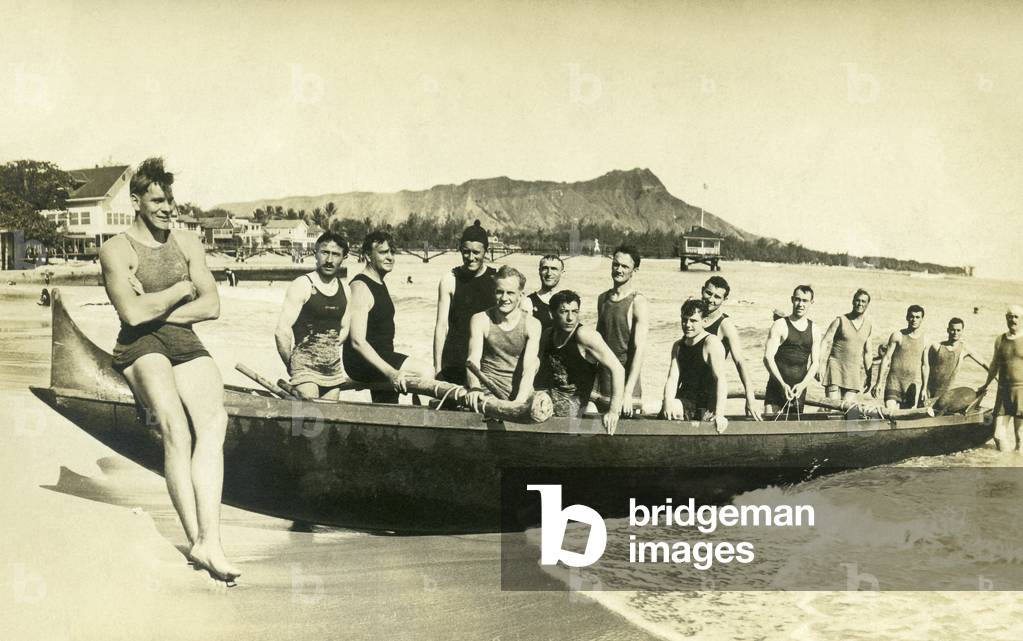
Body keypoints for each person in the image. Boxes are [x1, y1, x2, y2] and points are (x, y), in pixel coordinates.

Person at [97, 158, 239, 582]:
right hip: (139, 348)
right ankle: (197, 537)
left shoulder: (188, 243)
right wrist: (180, 290)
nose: (167, 207)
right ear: (136, 201)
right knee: (176, 427)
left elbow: (212, 305)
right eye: (158, 200)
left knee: (215, 422)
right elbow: (132, 317)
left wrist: (155, 308)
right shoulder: (115, 250)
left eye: (170, 199)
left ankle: (209, 541)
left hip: (184, 342)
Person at [344, 231, 432, 403]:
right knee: (425, 371)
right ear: (368, 256)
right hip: (360, 362)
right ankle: (425, 422)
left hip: (381, 355)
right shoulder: (360, 286)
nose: (390, 257)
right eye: (383, 252)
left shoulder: (379, 282)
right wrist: (391, 372)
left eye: (392, 252)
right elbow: (357, 341)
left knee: (387, 405)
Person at [274, 232, 351, 400]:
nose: (329, 260)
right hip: (305, 369)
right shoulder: (302, 284)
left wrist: (325, 349)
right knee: (310, 419)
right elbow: (282, 331)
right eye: (325, 252)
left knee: (329, 421)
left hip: (333, 370)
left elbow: (345, 328)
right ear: (315, 253)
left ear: (344, 257)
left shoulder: (345, 289)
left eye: (336, 254)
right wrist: (292, 365)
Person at [538, 290, 624, 434]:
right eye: (564, 311)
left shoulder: (584, 335)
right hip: (552, 399)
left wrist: (613, 411)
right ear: (552, 313)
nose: (570, 318)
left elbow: (618, 369)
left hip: (575, 406)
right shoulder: (548, 335)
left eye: (575, 311)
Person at [465, 266, 542, 407]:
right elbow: (473, 359)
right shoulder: (480, 319)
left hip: (520, 392)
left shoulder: (532, 324)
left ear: (521, 295)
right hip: (487, 392)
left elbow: (529, 368)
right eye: (499, 292)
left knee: (536, 362)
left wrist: (519, 402)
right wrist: (474, 387)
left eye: (510, 293)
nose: (504, 298)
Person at [433, 220, 497, 386]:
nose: (471, 257)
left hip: (486, 360)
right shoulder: (450, 279)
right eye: (466, 252)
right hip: (454, 358)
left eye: (476, 252)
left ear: (486, 251)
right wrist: (437, 367)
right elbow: (441, 327)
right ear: (460, 250)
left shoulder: (496, 280)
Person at [661, 299, 729, 433]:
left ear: (704, 321)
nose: (687, 325)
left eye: (693, 321)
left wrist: (720, 415)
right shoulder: (678, 346)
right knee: (648, 406)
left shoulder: (711, 343)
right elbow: (672, 379)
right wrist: (667, 402)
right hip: (683, 401)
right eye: (684, 320)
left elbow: (721, 380)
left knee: (671, 406)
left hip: (703, 407)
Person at [595, 244, 649, 415]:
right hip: (602, 382)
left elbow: (639, 351)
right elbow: (597, 343)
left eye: (625, 266)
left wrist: (627, 393)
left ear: (635, 270)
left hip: (627, 384)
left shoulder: (638, 302)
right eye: (616, 265)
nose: (619, 270)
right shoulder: (602, 298)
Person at [700, 276, 762, 420]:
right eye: (708, 293)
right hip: (688, 388)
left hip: (709, 393)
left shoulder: (725, 325)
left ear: (724, 300)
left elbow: (740, 362)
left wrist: (750, 398)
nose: (711, 299)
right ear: (702, 291)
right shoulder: (694, 318)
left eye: (717, 297)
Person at [763, 285, 821, 414]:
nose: (800, 304)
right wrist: (782, 384)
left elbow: (815, 363)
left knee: (793, 431)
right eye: (797, 299)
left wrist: (802, 385)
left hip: (798, 390)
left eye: (805, 301)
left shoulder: (815, 329)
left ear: (812, 302)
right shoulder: (780, 325)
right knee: (771, 428)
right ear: (792, 299)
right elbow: (768, 357)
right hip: (776, 388)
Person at [978, 305, 1023, 451]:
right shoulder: (1000, 339)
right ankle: (1005, 462)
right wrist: (985, 385)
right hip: (1003, 392)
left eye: (1016, 316)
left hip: (1021, 392)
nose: (1013, 319)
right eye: (1010, 316)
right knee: (998, 435)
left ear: (1021, 319)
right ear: (1006, 318)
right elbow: (994, 366)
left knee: (1020, 436)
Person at [819, 289, 873, 402]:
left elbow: (867, 353)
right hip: (835, 369)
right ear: (853, 302)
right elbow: (825, 342)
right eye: (857, 300)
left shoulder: (868, 326)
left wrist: (869, 376)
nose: (860, 304)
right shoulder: (840, 321)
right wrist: (819, 366)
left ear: (868, 304)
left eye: (863, 301)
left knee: (848, 412)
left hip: (853, 373)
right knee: (832, 409)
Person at [920, 317, 989, 405]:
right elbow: (925, 365)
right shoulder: (937, 346)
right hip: (929, 390)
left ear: (962, 331)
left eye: (958, 330)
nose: (955, 333)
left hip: (947, 394)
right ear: (948, 330)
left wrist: (992, 383)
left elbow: (986, 365)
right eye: (952, 330)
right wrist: (923, 388)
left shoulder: (965, 349)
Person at [873, 305, 927, 410]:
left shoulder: (925, 340)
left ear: (922, 319)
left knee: (904, 418)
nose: (914, 320)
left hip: (911, 385)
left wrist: (924, 388)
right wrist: (878, 383)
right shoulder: (897, 335)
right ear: (907, 317)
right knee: (890, 413)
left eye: (917, 317)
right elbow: (886, 358)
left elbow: (925, 366)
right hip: (893, 382)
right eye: (911, 316)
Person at [521, 254, 564, 330]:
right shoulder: (528, 302)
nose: (549, 273)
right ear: (539, 271)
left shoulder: (569, 299)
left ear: (562, 273)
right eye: (545, 268)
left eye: (554, 269)